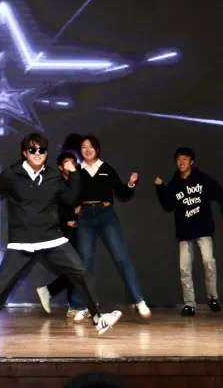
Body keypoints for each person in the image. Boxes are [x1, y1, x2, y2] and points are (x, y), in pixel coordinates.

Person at [0, 133, 122, 340]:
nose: (37, 153)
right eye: (32, 150)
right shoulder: (13, 174)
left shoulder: (53, 177)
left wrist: (74, 175)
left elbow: (70, 200)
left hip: (51, 237)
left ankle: (98, 318)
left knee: (80, 272)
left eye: (42, 150)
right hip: (22, 240)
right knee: (3, 283)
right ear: (25, 153)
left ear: (47, 154)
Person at [69, 135, 150, 320]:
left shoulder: (106, 168)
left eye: (91, 146)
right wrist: (73, 212)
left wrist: (130, 184)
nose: (87, 149)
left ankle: (139, 301)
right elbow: (70, 196)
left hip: (106, 215)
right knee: (84, 262)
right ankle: (82, 306)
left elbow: (121, 192)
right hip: (86, 217)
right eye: (83, 147)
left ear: (97, 149)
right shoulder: (77, 171)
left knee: (122, 257)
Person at [153, 147, 223, 316]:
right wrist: (160, 188)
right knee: (184, 269)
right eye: (178, 159)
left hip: (203, 229)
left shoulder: (202, 179)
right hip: (184, 232)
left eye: (185, 158)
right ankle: (189, 303)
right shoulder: (174, 183)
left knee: (209, 263)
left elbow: (221, 195)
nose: (181, 162)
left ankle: (213, 298)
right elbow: (168, 205)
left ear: (192, 161)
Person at [35, 152, 82, 318]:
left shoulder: (77, 179)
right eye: (66, 162)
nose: (70, 165)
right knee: (75, 266)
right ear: (60, 167)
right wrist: (70, 216)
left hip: (77, 229)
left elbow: (80, 203)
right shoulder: (57, 182)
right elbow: (56, 206)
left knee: (76, 266)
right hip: (61, 230)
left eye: (73, 162)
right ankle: (68, 302)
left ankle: (70, 303)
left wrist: (77, 215)